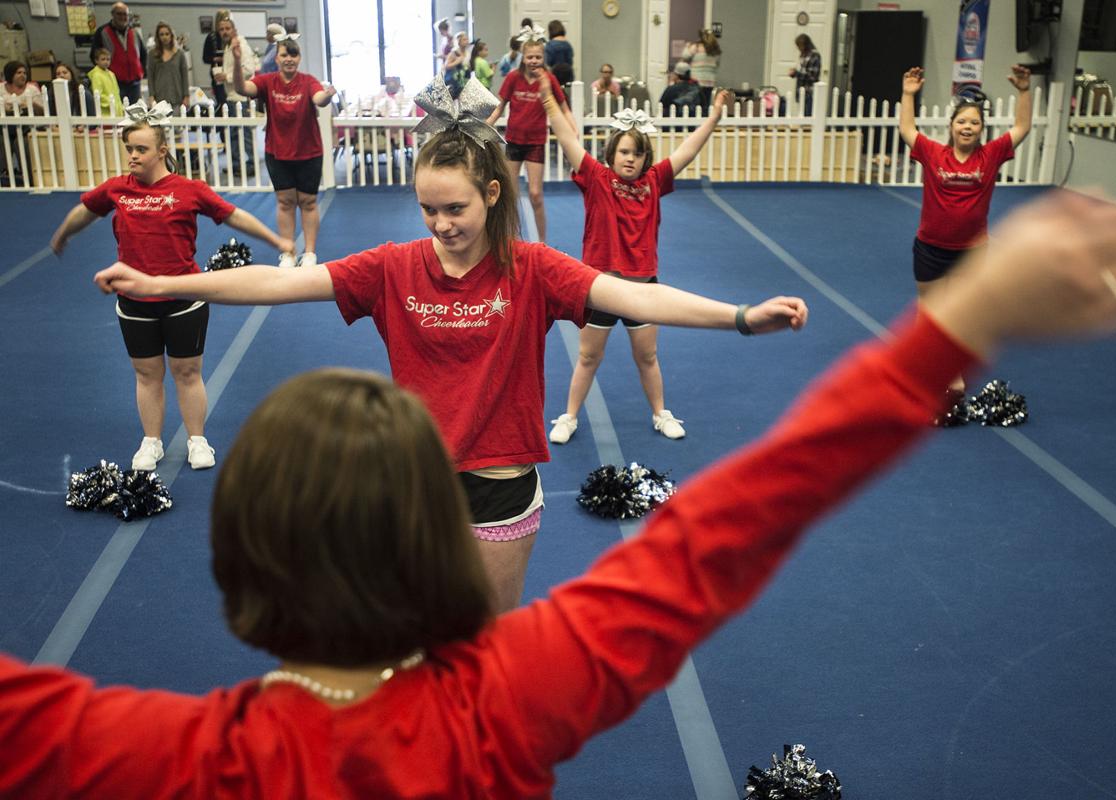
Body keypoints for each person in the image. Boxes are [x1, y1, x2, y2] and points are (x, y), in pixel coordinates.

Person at [0, 189, 1116, 798]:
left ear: (236, 564)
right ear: (424, 534)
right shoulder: (508, 703)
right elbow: (739, 517)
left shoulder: (172, 756)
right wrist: (960, 323)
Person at [90, 78, 808, 612]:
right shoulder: (395, 267)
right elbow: (280, 287)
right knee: (424, 635)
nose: (440, 223)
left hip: (500, 489)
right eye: (428, 208)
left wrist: (741, 317)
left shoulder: (534, 271)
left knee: (489, 643)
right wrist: (161, 283)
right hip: (419, 484)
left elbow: (639, 295)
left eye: (455, 208)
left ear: (493, 195)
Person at [49, 107, 291, 473]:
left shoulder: (188, 190)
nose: (132, 155)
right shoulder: (117, 188)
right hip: (134, 301)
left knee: (187, 372)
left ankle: (197, 439)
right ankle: (152, 441)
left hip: (184, 299)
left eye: (141, 149)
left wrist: (275, 238)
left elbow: (233, 215)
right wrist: (63, 233)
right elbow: (85, 211)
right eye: (129, 148)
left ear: (162, 151)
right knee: (146, 374)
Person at [544, 83, 735, 444]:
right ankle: (568, 416)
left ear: (645, 158)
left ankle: (661, 412)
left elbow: (687, 150)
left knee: (647, 356)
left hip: (643, 288)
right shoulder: (597, 180)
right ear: (611, 153)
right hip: (600, 288)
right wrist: (546, 96)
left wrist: (714, 116)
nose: (630, 159)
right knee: (588, 357)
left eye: (637, 153)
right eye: (624, 152)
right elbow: (568, 139)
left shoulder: (654, 181)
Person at [898, 64, 1031, 401]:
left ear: (982, 129)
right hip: (929, 246)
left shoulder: (990, 155)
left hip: (970, 250)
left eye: (974, 122)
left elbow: (1022, 127)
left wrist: (1024, 91)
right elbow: (907, 129)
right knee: (928, 311)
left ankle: (952, 369)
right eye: (962, 121)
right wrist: (908, 95)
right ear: (951, 127)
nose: (967, 127)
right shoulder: (934, 153)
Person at [230, 34, 335, 268]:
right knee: (285, 202)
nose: (289, 59)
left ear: (299, 58)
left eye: (293, 54)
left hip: (309, 152)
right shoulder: (267, 81)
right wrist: (237, 61)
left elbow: (319, 99)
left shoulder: (308, 81)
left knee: (308, 202)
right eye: (284, 54)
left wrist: (327, 95)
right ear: (276, 58)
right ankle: (288, 251)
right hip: (278, 152)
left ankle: (309, 253)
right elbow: (241, 88)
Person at [487, 32, 578, 243]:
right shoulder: (512, 78)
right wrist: (485, 126)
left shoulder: (549, 80)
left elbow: (564, 107)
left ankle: (542, 242)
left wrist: (573, 128)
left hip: (535, 142)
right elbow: (499, 107)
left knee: (536, 194)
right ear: (523, 57)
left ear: (543, 58)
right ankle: (509, 238)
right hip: (514, 141)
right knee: (509, 194)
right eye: (530, 57)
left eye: (538, 57)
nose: (534, 61)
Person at [212, 9, 258, 178]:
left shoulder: (241, 46)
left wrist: (227, 77)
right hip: (231, 96)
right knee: (232, 134)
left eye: (227, 29)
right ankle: (238, 164)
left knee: (244, 133)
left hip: (240, 97)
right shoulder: (228, 47)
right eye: (221, 29)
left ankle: (251, 163)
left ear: (234, 29)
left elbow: (249, 70)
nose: (224, 32)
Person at [92, 1, 146, 107]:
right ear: (112, 14)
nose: (122, 17)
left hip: (135, 83)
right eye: (119, 14)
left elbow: (143, 54)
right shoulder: (103, 32)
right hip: (115, 82)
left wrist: (142, 72)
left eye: (125, 14)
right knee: (118, 113)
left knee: (136, 114)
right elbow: (94, 55)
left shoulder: (135, 32)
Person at [147, 21, 189, 110]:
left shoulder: (180, 54)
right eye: (161, 34)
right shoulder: (152, 54)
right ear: (158, 37)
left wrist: (186, 96)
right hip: (159, 99)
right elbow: (150, 77)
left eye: (167, 34)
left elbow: (185, 76)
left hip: (177, 98)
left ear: (171, 35)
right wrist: (151, 95)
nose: (164, 37)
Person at [683, 29, 720, 109]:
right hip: (710, 83)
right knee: (705, 106)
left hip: (696, 82)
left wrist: (687, 46)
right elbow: (716, 65)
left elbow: (685, 56)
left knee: (695, 106)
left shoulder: (696, 47)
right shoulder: (715, 50)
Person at [788, 33, 820, 115]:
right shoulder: (802, 56)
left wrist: (797, 73)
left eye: (800, 46)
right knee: (801, 114)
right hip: (800, 90)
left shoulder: (815, 56)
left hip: (809, 92)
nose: (799, 48)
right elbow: (801, 71)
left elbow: (813, 76)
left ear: (806, 45)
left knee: (808, 115)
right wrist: (794, 74)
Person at [87, 46, 123, 117]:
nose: (106, 62)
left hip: (116, 109)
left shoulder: (111, 74)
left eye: (108, 59)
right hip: (105, 112)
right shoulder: (96, 75)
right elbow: (98, 95)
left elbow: (117, 92)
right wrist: (111, 102)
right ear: (96, 61)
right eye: (103, 59)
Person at [202, 24, 226, 107]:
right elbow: (205, 58)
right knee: (222, 102)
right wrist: (218, 59)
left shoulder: (233, 40)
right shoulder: (212, 37)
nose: (225, 31)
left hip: (230, 76)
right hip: (217, 74)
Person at [544, 20, 574, 85]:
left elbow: (547, 64)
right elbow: (570, 62)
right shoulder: (568, 45)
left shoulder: (550, 45)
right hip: (568, 76)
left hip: (554, 77)